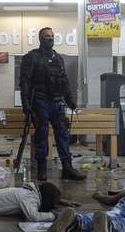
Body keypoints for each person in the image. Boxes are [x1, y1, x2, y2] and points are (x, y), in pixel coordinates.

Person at [19, 27, 85, 181]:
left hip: (57, 101)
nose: (50, 39)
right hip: (40, 101)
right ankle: (42, 169)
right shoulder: (32, 57)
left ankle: (67, 167)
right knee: (42, 133)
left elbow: (65, 80)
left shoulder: (58, 57)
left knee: (62, 132)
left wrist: (70, 100)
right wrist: (26, 106)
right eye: (47, 36)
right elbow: (24, 82)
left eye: (52, 36)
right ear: (41, 39)